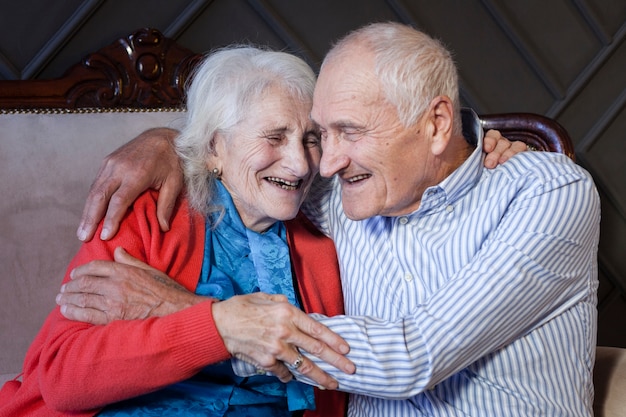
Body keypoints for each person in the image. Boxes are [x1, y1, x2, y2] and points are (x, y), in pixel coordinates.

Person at [32, 23, 585, 417]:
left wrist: (205, 319)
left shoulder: (536, 192)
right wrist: (165, 144)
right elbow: (62, 377)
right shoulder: (169, 209)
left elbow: (413, 357)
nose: (315, 162)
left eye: (323, 136)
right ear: (214, 148)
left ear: (436, 124)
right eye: (316, 135)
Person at [0, 46, 357, 417]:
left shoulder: (323, 240)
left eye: (311, 139)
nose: (300, 165)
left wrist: (183, 309)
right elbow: (64, 378)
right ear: (215, 148)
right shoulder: (152, 212)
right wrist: (216, 326)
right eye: (274, 137)